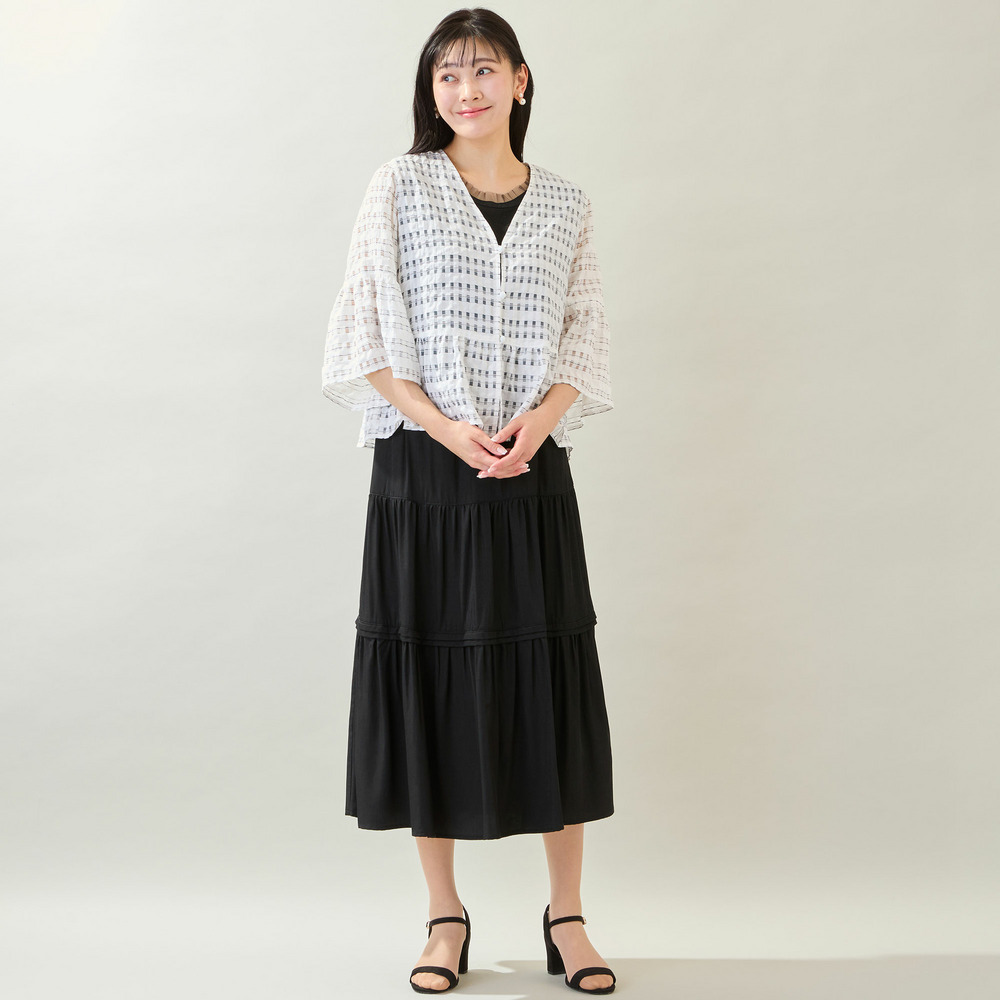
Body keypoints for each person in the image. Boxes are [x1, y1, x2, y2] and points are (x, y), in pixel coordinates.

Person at [321, 8, 617, 995]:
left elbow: (584, 330)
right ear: (431, 90)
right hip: (425, 474)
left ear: (520, 81)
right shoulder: (399, 185)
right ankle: (444, 914)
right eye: (446, 75)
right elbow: (364, 332)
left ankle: (567, 916)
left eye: (483, 70)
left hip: (530, 471)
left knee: (548, 679)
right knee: (430, 680)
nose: (465, 90)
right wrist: (448, 430)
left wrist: (539, 423)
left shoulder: (566, 202)